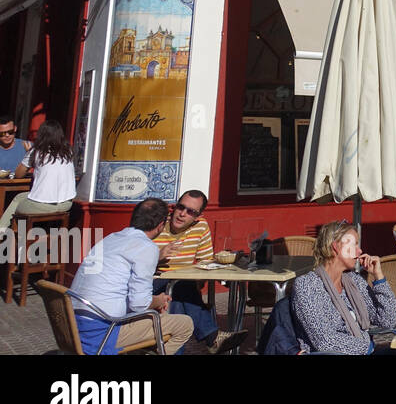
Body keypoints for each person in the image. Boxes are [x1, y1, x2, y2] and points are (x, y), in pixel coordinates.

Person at [68, 198, 194, 355]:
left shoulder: (110, 238)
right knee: (184, 324)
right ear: (161, 225)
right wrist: (159, 300)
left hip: (72, 324)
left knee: (144, 320)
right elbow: (139, 305)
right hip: (101, 331)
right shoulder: (146, 247)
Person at [151, 190, 244, 354]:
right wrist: (157, 257)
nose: (182, 214)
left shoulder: (200, 227)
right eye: (180, 207)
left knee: (178, 299)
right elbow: (134, 263)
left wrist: (199, 281)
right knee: (181, 287)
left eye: (190, 211)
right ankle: (213, 337)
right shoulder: (157, 225)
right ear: (174, 207)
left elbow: (205, 262)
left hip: (179, 287)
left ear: (198, 216)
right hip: (152, 283)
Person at [292, 220, 396, 354]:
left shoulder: (354, 281)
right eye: (355, 245)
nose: (360, 251)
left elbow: (387, 320)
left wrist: (379, 277)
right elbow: (326, 342)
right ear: (336, 247)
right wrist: (367, 347)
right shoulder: (307, 286)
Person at [0, 120, 76, 232]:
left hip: (43, 206)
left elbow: (18, 174)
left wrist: (28, 154)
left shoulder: (36, 151)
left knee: (15, 206)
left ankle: (7, 237)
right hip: (67, 204)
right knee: (20, 197)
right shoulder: (68, 151)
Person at [0, 114, 31, 178]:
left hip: (23, 186)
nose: (7, 135)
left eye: (10, 132)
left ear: (15, 129)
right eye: (2, 133)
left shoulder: (27, 146)